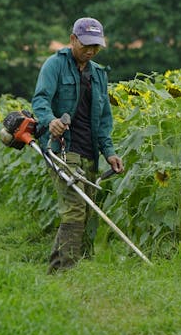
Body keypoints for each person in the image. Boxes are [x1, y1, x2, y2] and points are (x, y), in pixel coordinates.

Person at [31, 17, 124, 272]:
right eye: (86, 45)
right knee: (74, 211)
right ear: (73, 39)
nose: (91, 51)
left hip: (90, 151)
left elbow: (104, 118)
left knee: (86, 213)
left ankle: (61, 270)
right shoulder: (55, 65)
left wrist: (110, 152)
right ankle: (66, 273)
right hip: (63, 147)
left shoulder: (98, 74)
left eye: (96, 46)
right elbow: (40, 101)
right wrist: (50, 121)